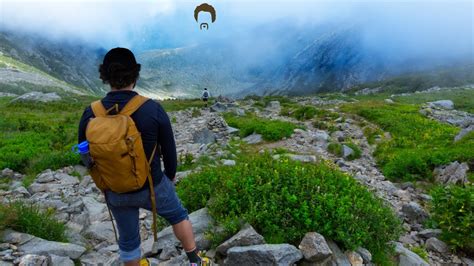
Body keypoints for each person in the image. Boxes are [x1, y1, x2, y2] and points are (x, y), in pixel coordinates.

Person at [78, 48, 208, 266]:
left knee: (128, 241)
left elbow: (84, 151)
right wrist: (169, 178)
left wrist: (104, 181)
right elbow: (169, 151)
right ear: (135, 76)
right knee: (178, 215)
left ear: (105, 77)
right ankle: (195, 260)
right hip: (153, 186)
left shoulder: (90, 112)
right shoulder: (152, 109)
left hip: (115, 189)